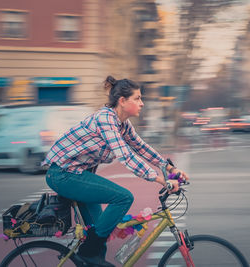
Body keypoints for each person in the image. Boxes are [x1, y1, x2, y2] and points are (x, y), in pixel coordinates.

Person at [42, 75, 188, 267]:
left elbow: (140, 147)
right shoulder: (106, 119)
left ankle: (91, 256)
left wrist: (170, 168)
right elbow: (126, 156)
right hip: (62, 174)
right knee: (123, 197)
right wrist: (162, 180)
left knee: (99, 232)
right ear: (122, 101)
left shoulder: (122, 124)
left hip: (77, 174)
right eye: (137, 98)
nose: (142, 103)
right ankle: (87, 253)